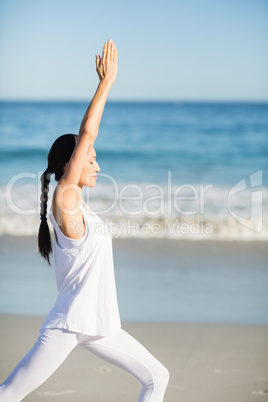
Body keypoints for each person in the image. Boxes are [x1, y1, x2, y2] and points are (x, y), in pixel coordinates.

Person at [0, 39, 169, 402]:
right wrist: (106, 83)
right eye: (90, 159)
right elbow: (88, 132)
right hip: (69, 324)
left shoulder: (80, 208)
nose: (97, 165)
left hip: (97, 324)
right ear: (70, 164)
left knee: (157, 376)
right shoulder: (65, 197)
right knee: (8, 394)